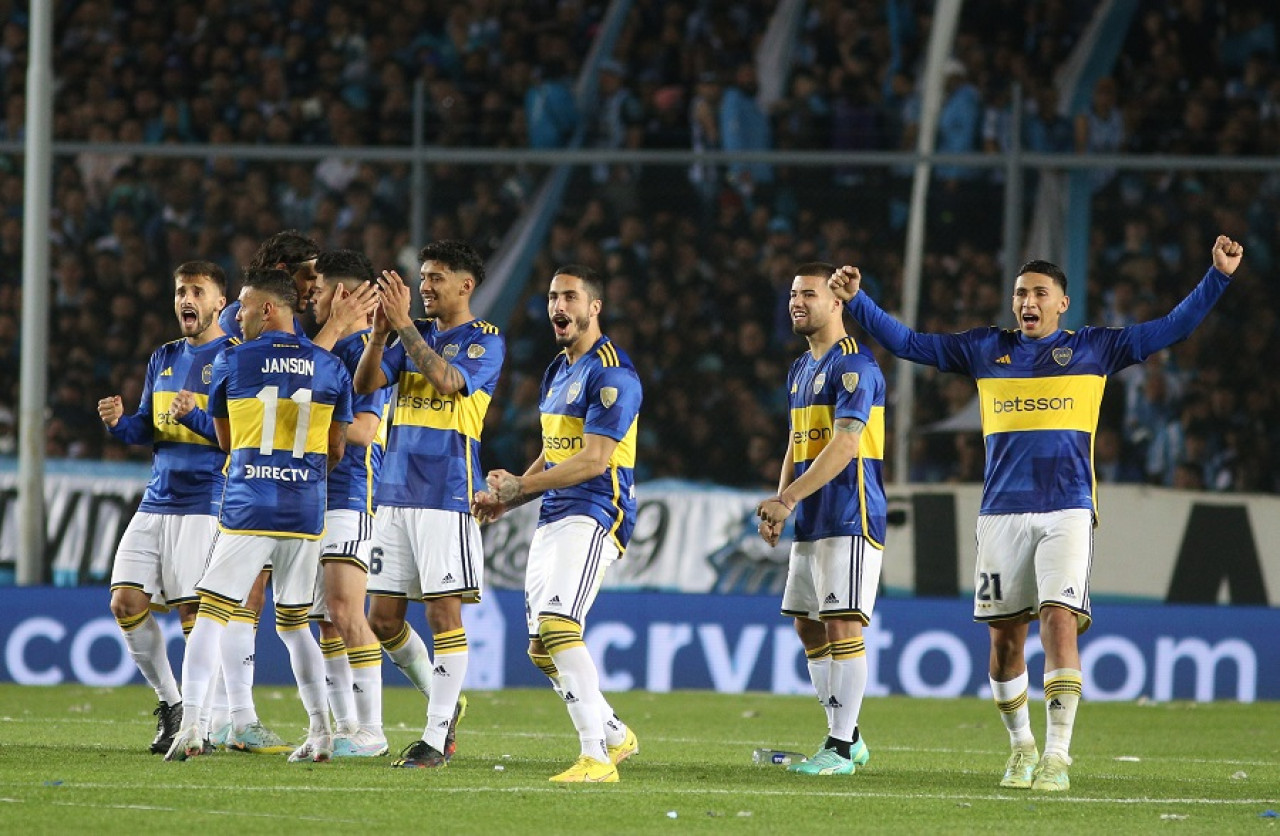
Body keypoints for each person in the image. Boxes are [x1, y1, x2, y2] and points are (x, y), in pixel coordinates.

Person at [828, 235, 1245, 792]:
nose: (1027, 302)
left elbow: (1171, 328)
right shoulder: (984, 349)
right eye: (1021, 293)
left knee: (1058, 619)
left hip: (1068, 509)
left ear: (1061, 303)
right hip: (1001, 513)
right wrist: (859, 303)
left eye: (1039, 293)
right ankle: (1021, 746)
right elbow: (908, 343)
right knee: (1004, 643)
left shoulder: (1096, 349)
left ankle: (1056, 757)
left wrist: (1217, 276)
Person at [166, 267, 353, 763]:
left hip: (249, 506)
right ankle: (321, 733)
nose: (238, 317)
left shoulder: (232, 360)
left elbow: (226, 441)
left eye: (244, 307)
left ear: (268, 308)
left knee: (211, 614)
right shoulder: (331, 367)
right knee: (295, 627)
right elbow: (337, 449)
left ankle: (192, 728)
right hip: (307, 510)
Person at [473, 264, 642, 783]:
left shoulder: (611, 372)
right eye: (551, 297)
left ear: (594, 307)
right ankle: (615, 733)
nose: (557, 307)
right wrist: (513, 500)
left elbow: (594, 460)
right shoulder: (557, 369)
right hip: (553, 513)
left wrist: (522, 488)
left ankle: (596, 757)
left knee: (559, 626)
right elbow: (552, 453)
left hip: (596, 508)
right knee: (540, 648)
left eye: (569, 297)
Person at [353, 241, 505, 769]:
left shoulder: (484, 341)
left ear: (466, 285)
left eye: (437, 277)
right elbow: (365, 383)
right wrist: (377, 338)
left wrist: (403, 326)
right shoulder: (405, 332)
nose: (425, 286)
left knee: (444, 614)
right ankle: (448, 703)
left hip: (446, 493)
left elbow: (448, 380)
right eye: (422, 277)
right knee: (382, 618)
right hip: (392, 492)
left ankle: (436, 739)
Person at [99, 261, 237, 754]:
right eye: (181, 290)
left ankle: (207, 721)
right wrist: (120, 424)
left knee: (192, 616)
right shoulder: (164, 357)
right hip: (157, 497)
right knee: (125, 601)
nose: (187, 298)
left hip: (205, 500)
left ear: (220, 302)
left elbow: (238, 440)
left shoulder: (235, 358)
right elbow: (148, 428)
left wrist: (196, 415)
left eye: (197, 291)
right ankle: (172, 705)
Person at [756, 263, 887, 777]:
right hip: (811, 515)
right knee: (808, 628)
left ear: (837, 302)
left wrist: (787, 500)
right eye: (793, 294)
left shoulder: (855, 365)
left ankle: (837, 748)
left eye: (808, 294)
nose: (797, 302)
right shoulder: (799, 369)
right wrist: (781, 500)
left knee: (841, 624)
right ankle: (848, 737)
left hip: (850, 512)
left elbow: (845, 443)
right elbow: (797, 442)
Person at [306, 249, 389, 757]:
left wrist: (304, 428)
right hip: (314, 493)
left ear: (339, 294)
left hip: (349, 494)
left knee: (345, 608)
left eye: (317, 289)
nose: (309, 297)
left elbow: (363, 429)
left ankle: (373, 732)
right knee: (326, 619)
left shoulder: (368, 351)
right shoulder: (328, 347)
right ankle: (345, 727)